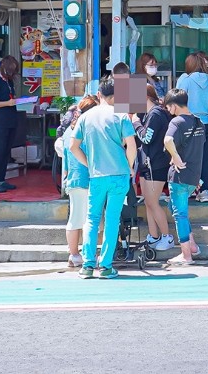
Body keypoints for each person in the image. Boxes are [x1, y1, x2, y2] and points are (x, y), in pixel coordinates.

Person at [69, 79, 137, 280]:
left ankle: (88, 265)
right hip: (119, 175)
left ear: (99, 95)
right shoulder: (122, 116)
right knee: (112, 219)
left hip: (96, 175)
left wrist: (88, 163)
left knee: (91, 218)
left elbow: (73, 146)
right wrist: (129, 166)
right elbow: (131, 146)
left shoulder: (85, 117)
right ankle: (106, 266)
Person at [162, 88, 205, 265]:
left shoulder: (176, 122)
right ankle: (192, 245)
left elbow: (167, 140)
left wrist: (176, 157)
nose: (168, 111)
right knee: (177, 209)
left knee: (179, 215)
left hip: (179, 176)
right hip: (194, 176)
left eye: (168, 107)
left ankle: (186, 255)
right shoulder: (199, 122)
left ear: (173, 106)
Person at [58, 95, 98, 267]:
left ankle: (74, 254)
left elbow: (66, 162)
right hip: (86, 178)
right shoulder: (87, 129)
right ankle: (83, 254)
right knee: (88, 220)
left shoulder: (70, 130)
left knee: (75, 219)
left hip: (73, 179)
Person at [177, 51, 208, 202]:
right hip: (207, 123)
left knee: (187, 157)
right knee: (204, 158)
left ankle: (189, 189)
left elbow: (178, 100)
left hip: (189, 122)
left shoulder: (186, 80)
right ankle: (204, 190)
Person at [134, 84, 175, 251]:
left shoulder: (156, 114)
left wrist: (136, 124)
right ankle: (153, 236)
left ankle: (167, 236)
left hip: (156, 165)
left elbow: (146, 138)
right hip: (147, 164)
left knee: (152, 202)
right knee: (148, 202)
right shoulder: (148, 113)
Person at [0, 56, 21, 194]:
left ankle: (1, 179)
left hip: (10, 119)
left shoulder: (9, 80)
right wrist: (7, 103)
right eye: (9, 71)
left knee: (7, 151)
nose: (11, 74)